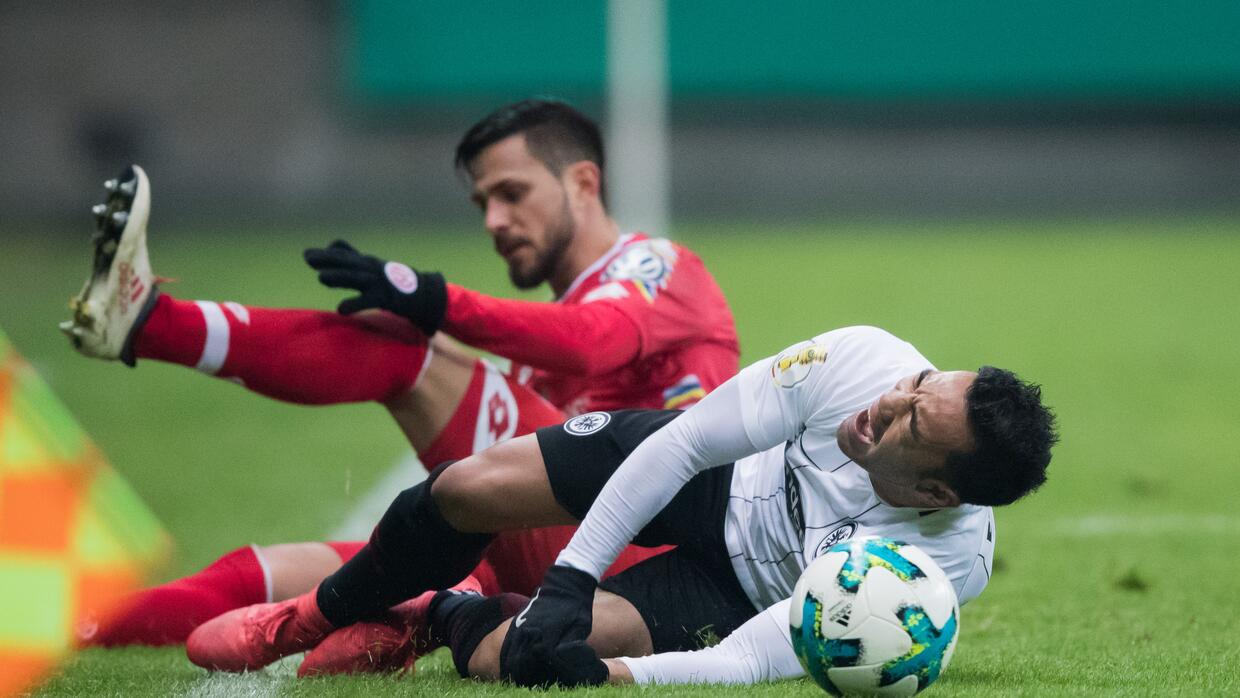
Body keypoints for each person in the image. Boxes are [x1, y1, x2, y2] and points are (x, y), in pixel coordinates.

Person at [61, 99, 739, 652]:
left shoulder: (658, 268)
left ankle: (149, 322)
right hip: (557, 555)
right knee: (273, 572)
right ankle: (61, 630)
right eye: (482, 205)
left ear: (583, 183)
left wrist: (437, 299)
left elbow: (592, 344)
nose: (496, 222)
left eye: (512, 193)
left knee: (410, 354)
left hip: (644, 559)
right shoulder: (539, 342)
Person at [184, 325, 1057, 687]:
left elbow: (770, 652)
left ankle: (435, 616)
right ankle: (308, 615)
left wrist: (619, 676)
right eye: (916, 386)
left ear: (939, 492)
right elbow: (682, 445)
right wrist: (572, 572)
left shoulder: (938, 570)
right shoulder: (862, 361)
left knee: (522, 660)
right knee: (465, 490)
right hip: (717, 475)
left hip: (737, 597)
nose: (886, 405)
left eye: (910, 422)